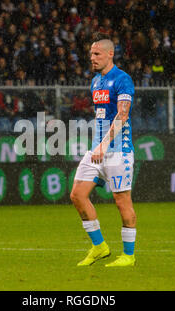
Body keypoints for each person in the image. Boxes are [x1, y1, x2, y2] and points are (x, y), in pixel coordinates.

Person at [70, 37, 136, 267]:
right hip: (97, 149)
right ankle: (100, 247)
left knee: (122, 202)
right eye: (91, 54)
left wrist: (104, 144)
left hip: (119, 150)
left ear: (110, 54)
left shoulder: (122, 79)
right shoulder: (96, 82)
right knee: (77, 195)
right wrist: (98, 144)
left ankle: (128, 255)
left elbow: (122, 115)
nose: (92, 58)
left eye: (97, 54)